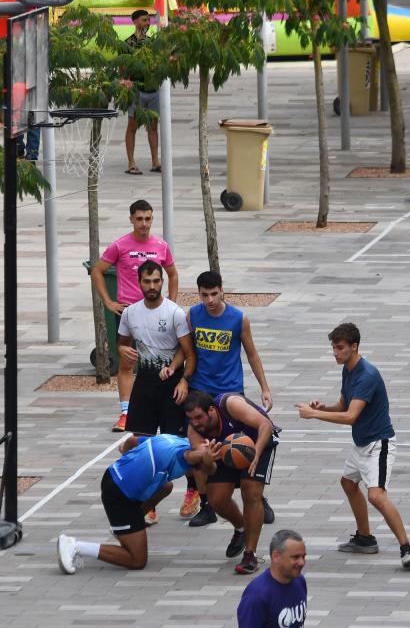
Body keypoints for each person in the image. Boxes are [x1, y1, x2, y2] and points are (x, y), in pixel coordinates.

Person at [295, 322, 410, 571]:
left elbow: (351, 417)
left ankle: (408, 548)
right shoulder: (348, 370)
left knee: (376, 496)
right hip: (362, 443)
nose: (335, 353)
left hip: (378, 445)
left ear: (354, 347)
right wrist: (324, 408)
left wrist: (313, 415)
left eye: (339, 348)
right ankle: (365, 538)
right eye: (333, 347)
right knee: (348, 482)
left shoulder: (366, 375)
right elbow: (343, 405)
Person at [56, 433, 221, 573]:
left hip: (114, 473)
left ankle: (128, 527)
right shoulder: (184, 458)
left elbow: (132, 440)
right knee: (137, 560)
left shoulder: (173, 440)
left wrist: (128, 457)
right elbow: (199, 474)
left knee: (166, 486)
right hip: (120, 496)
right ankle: (75, 546)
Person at [185, 270, 274, 526]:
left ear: (222, 290)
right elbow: (187, 351)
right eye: (204, 295)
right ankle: (206, 504)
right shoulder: (192, 315)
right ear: (199, 294)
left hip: (230, 393)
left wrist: (265, 388)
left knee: (240, 446)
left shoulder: (238, 318)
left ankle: (257, 495)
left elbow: (252, 354)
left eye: (214, 294)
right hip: (200, 392)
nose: (210, 299)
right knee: (200, 450)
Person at [92, 199, 178, 433]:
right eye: (139, 219)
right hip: (129, 314)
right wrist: (108, 302)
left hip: (156, 314)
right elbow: (97, 270)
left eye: (148, 218)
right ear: (131, 219)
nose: (144, 223)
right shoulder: (119, 245)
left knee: (160, 361)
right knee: (128, 362)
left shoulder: (161, 245)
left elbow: (172, 273)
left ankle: (158, 407)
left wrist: (170, 302)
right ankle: (125, 412)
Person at [118, 260, 195, 524]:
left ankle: (193, 490)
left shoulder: (174, 313)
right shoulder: (130, 314)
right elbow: (123, 343)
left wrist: (177, 373)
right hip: (144, 384)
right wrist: (122, 351)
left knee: (177, 444)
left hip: (171, 387)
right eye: (147, 281)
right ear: (138, 282)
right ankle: (148, 501)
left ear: (163, 281)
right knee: (142, 443)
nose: (152, 286)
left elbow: (187, 350)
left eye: (156, 281)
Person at [184, 390, 279, 575]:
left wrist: (256, 454)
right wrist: (208, 460)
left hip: (259, 441)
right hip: (224, 449)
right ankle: (242, 528)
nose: (195, 423)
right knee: (216, 499)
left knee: (250, 492)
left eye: (198, 417)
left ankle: (250, 555)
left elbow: (265, 425)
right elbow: (210, 471)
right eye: (191, 419)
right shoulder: (194, 432)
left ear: (211, 410)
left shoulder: (230, 404)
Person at [237, 529, 308, 628]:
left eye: (303, 557)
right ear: (276, 556)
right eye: (295, 557)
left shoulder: (300, 581)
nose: (301, 562)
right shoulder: (257, 595)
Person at [124, 9, 161, 175]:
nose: (147, 23)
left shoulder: (152, 44)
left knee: (153, 126)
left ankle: (155, 161)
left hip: (153, 90)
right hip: (137, 91)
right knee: (132, 125)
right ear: (135, 22)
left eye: (148, 20)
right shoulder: (127, 44)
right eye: (144, 20)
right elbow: (123, 69)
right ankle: (131, 162)